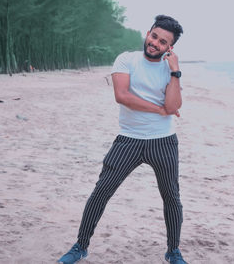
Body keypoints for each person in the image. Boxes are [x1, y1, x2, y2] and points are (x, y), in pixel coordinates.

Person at [58, 15, 187, 264]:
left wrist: (175, 71)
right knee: (101, 192)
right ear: (148, 32)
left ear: (170, 47)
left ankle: (173, 251)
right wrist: (158, 109)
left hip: (164, 141)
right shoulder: (126, 59)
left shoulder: (171, 70)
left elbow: (172, 106)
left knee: (171, 196)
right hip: (128, 139)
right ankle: (80, 246)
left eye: (163, 42)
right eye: (154, 36)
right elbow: (123, 96)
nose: (155, 43)